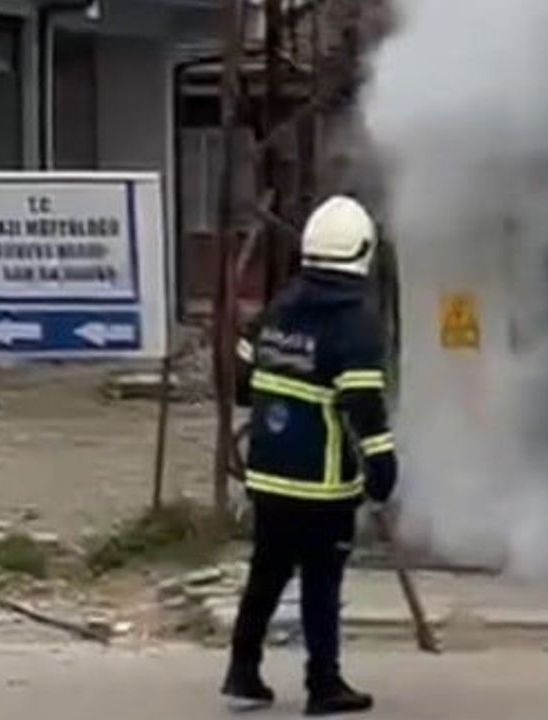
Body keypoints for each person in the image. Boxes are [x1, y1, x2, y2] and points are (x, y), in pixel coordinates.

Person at [222, 196, 398, 716]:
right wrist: (382, 467)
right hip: (323, 484)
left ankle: (242, 672)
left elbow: (241, 384)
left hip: (267, 473)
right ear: (362, 251)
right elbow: (364, 405)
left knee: (266, 573)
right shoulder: (356, 322)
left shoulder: (279, 307)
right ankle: (324, 684)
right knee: (322, 582)